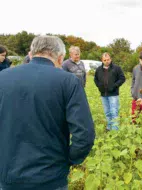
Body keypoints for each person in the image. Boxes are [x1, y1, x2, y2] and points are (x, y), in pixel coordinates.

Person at [0, 36, 95, 190]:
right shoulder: (68, 82)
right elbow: (84, 134)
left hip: (9, 175)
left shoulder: (2, 78)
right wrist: (69, 159)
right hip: (50, 176)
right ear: (60, 58)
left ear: (31, 54)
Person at [94, 53, 125, 131]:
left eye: (108, 59)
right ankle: (109, 127)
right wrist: (99, 86)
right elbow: (95, 79)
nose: (107, 61)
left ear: (110, 59)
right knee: (107, 112)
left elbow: (122, 78)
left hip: (113, 94)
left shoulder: (116, 68)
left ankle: (115, 130)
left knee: (114, 112)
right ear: (102, 60)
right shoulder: (98, 69)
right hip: (103, 94)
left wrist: (114, 86)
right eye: (105, 60)